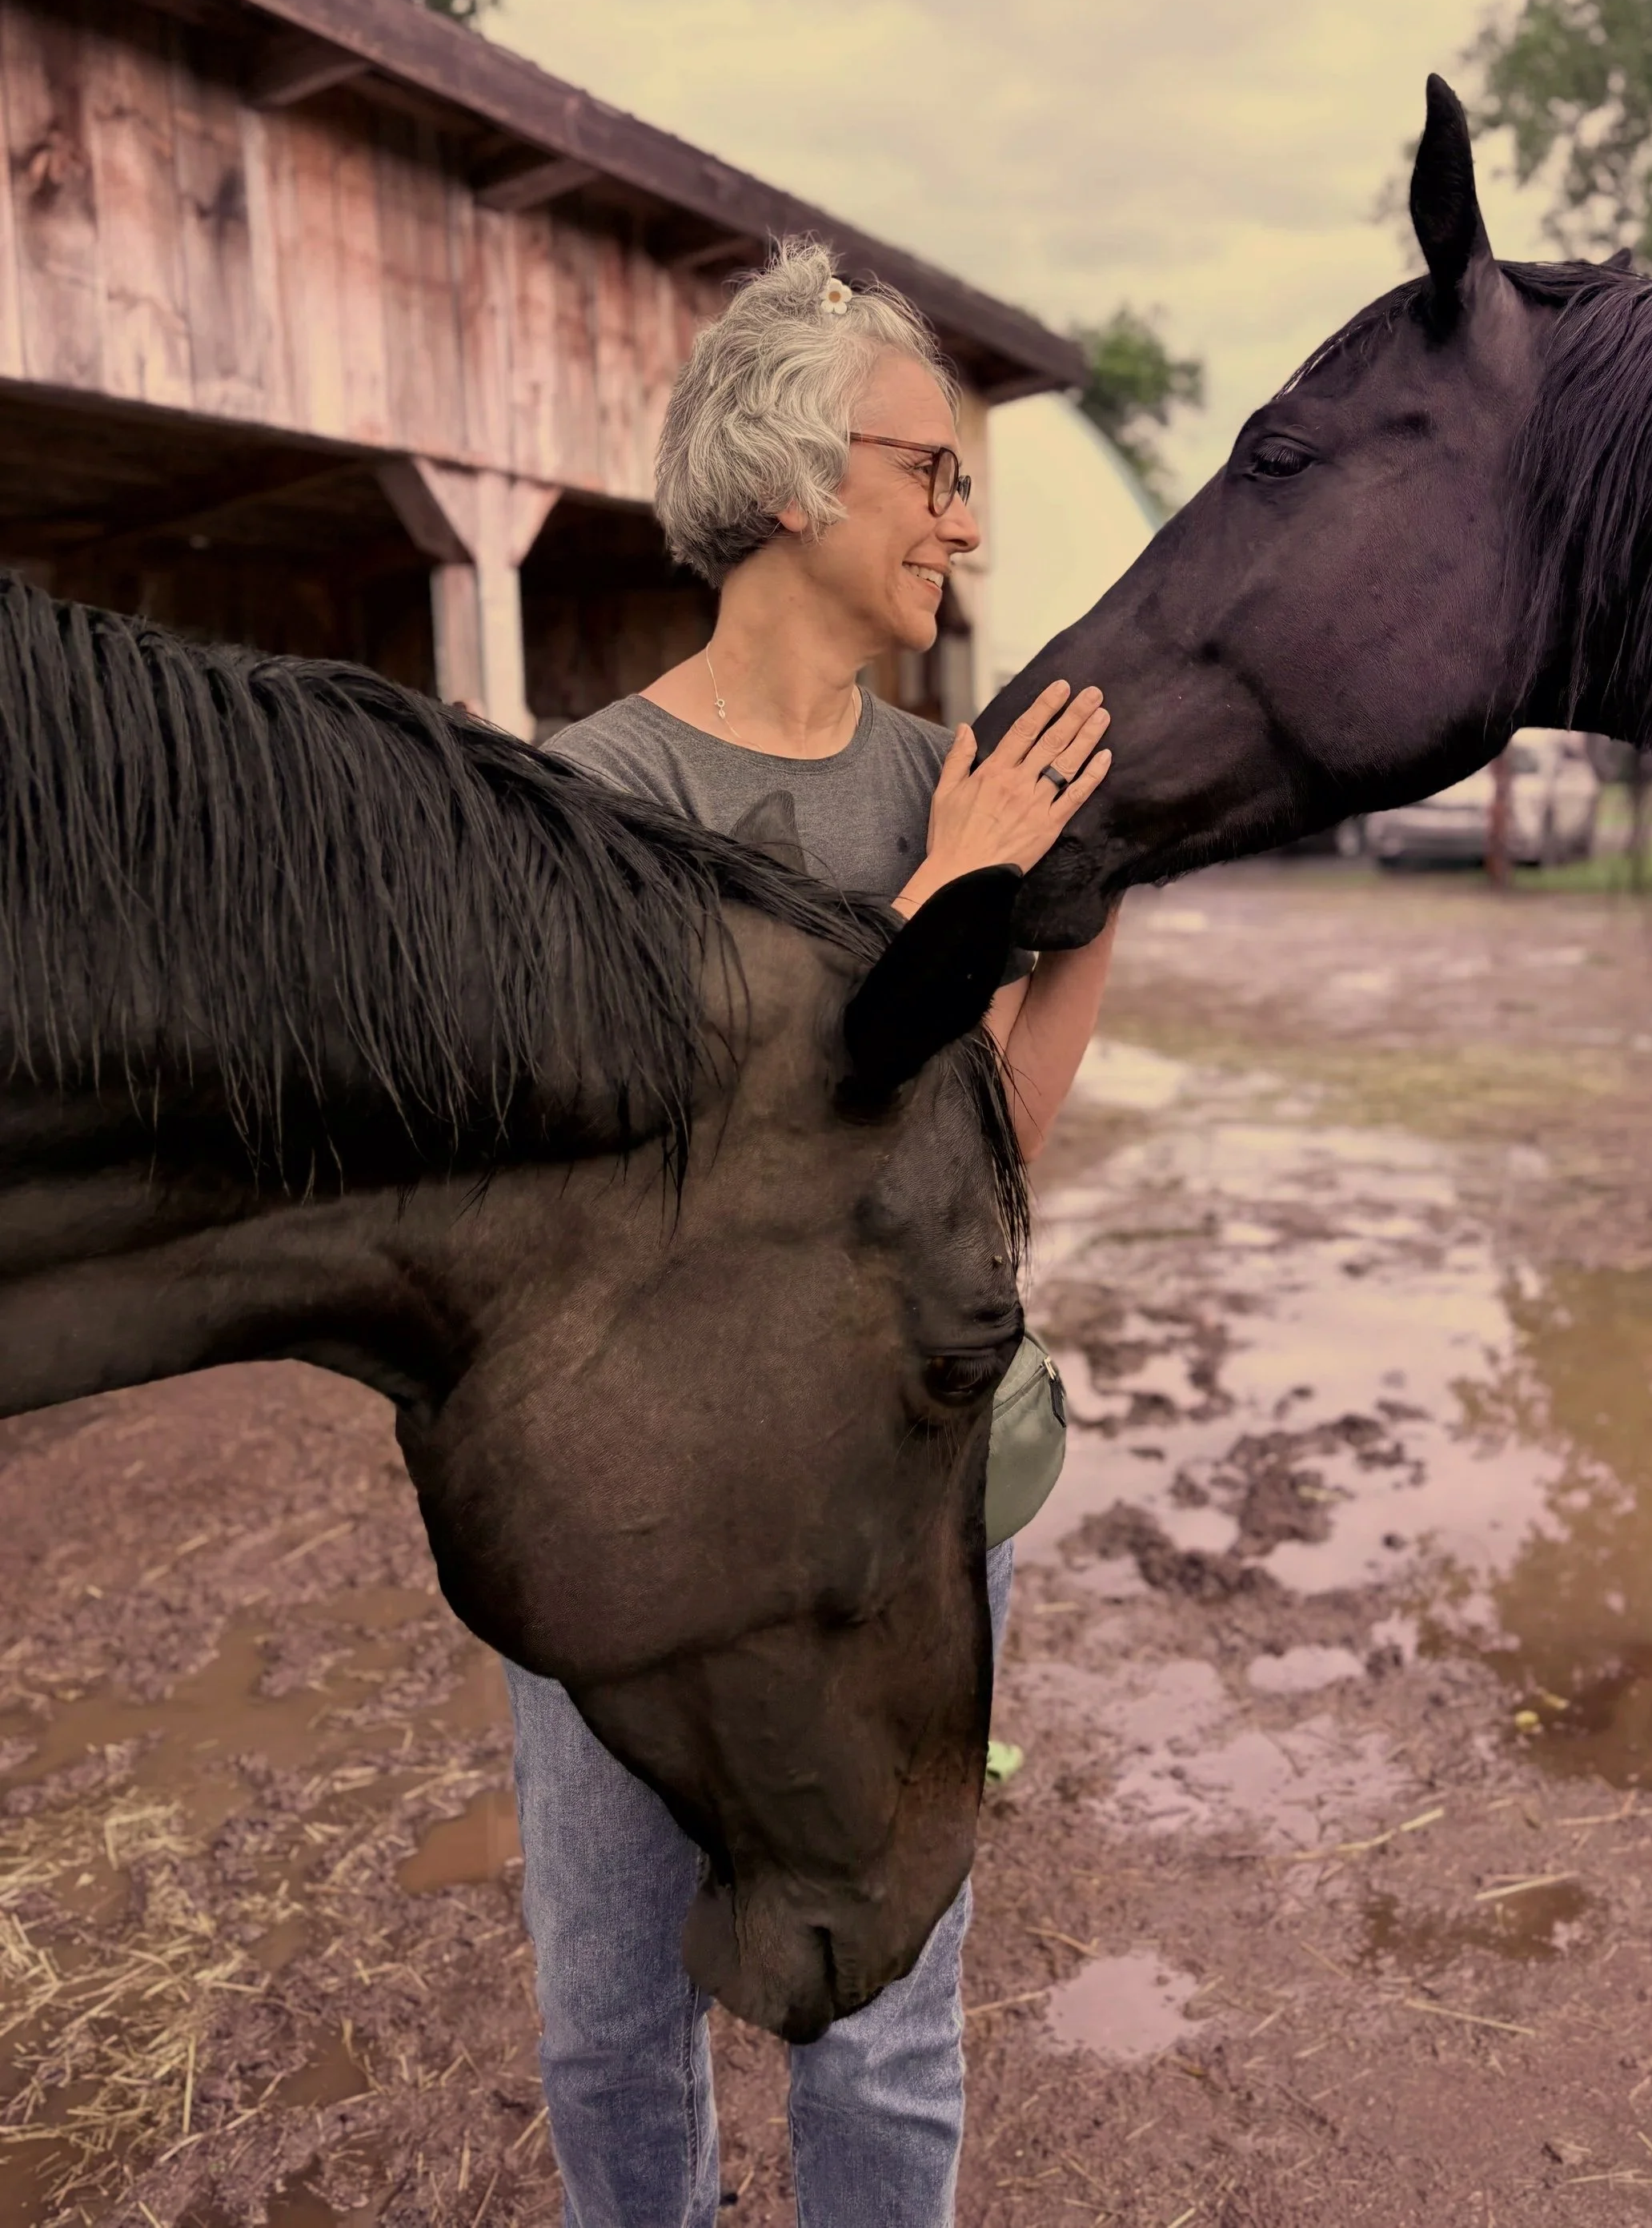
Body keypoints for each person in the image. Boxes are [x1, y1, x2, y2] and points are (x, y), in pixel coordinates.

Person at [506, 240, 1121, 2228]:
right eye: (929, 470)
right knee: (612, 2018)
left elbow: (976, 1192)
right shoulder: (583, 808)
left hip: (895, 1533)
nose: (962, 514)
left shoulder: (952, 783)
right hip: (630, 1529)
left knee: (877, 2032)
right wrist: (940, 909)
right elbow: (629, 1233)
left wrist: (1078, 924)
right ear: (790, 477)